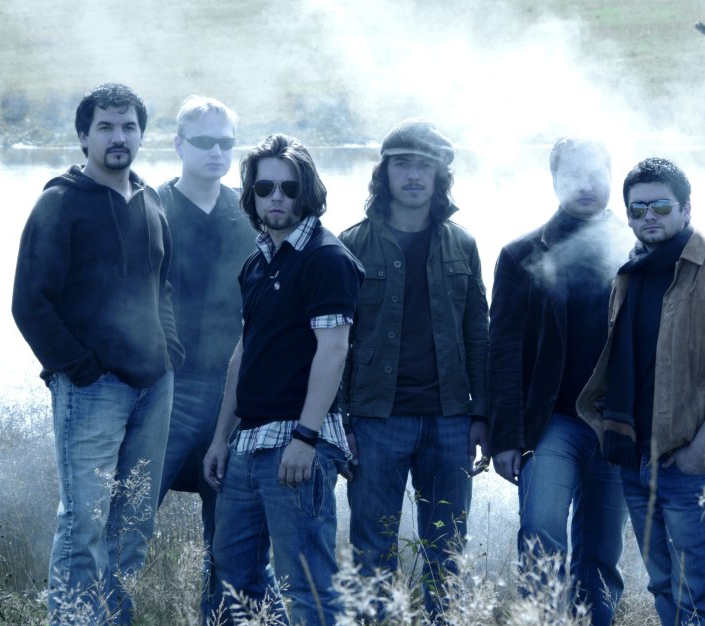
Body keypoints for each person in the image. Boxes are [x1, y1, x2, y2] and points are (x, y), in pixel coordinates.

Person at [12, 83, 183, 625]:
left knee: (133, 525)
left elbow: (163, 286)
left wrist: (169, 352)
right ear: (84, 136)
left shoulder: (150, 200)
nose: (118, 137)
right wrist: (82, 370)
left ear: (142, 135)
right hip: (93, 390)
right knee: (83, 524)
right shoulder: (60, 203)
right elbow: (30, 303)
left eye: (129, 126)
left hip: (154, 387)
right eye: (105, 127)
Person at [578, 157, 705, 626]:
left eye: (661, 206)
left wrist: (699, 450)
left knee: (701, 593)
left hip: (694, 464)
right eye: (637, 209)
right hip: (636, 461)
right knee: (663, 584)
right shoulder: (629, 273)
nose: (649, 217)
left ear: (686, 208)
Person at [202, 134, 363, 626]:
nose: (276, 197)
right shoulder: (257, 263)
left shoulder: (326, 258)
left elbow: (333, 350)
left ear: (306, 192)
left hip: (296, 443)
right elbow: (244, 353)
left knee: (309, 585)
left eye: (289, 188)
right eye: (265, 187)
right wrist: (221, 437)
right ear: (250, 194)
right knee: (235, 578)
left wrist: (306, 438)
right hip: (248, 443)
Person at [339, 118, 489, 615]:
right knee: (372, 553)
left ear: (440, 174)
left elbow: (479, 335)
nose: (413, 175)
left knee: (447, 551)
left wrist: (482, 415)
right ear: (384, 172)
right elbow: (336, 342)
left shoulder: (463, 244)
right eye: (402, 163)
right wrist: (341, 423)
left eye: (425, 165)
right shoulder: (351, 245)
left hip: (450, 419)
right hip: (375, 421)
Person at [487, 137, 628, 626]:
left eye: (595, 174)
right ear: (553, 180)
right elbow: (503, 350)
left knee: (601, 551)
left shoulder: (640, 249)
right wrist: (505, 436)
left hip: (617, 423)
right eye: (573, 175)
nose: (586, 185)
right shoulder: (521, 253)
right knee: (541, 532)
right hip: (552, 422)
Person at [155, 95, 254, 623]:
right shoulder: (153, 207)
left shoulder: (249, 212)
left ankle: (218, 618)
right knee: (132, 512)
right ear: (178, 144)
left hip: (237, 388)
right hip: (169, 386)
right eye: (204, 141)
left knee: (230, 532)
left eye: (226, 143)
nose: (217, 152)